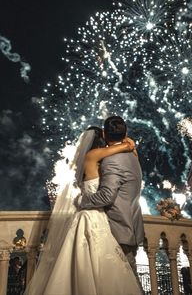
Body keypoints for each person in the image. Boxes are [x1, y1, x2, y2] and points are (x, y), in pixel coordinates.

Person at [24, 126, 142, 295]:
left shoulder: (95, 159)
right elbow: (107, 194)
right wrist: (128, 145)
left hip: (91, 215)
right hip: (98, 217)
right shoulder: (98, 158)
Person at [79, 116, 145, 287]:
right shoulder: (133, 156)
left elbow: (106, 196)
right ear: (125, 133)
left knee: (121, 283)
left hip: (118, 228)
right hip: (132, 226)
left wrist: (81, 201)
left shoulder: (112, 160)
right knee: (128, 281)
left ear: (104, 133)